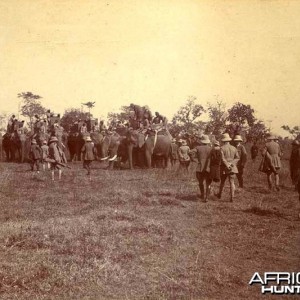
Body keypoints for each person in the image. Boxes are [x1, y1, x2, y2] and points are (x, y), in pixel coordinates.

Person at [216, 133, 240, 202]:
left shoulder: (222, 148)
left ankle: (219, 194)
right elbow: (237, 158)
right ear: (229, 140)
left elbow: (223, 159)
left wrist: (227, 165)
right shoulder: (234, 148)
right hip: (233, 167)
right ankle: (232, 197)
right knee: (232, 182)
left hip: (224, 167)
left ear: (223, 141)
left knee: (222, 182)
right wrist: (231, 164)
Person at [192, 135, 212, 201]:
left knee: (200, 182)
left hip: (200, 167)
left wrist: (194, 159)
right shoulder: (211, 148)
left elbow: (190, 152)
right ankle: (207, 197)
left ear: (202, 141)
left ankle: (202, 194)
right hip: (208, 168)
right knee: (208, 183)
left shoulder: (198, 147)